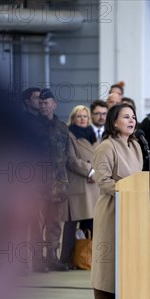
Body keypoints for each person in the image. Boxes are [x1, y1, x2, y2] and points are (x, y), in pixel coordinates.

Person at [91, 103, 143, 299]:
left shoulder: (137, 146)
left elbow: (139, 178)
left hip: (132, 211)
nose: (132, 120)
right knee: (107, 264)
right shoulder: (106, 146)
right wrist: (127, 191)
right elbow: (103, 180)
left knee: (124, 264)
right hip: (112, 209)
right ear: (113, 122)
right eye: (126, 117)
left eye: (133, 117)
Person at [30, 88, 70, 272]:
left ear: (54, 104)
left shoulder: (62, 127)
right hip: (37, 183)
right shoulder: (31, 125)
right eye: (41, 102)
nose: (43, 105)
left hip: (58, 183)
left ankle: (52, 257)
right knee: (37, 223)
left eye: (46, 103)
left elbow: (67, 154)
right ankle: (38, 260)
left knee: (54, 223)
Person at [60, 105, 99, 267]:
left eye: (85, 116)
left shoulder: (94, 135)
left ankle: (87, 259)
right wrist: (90, 171)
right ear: (73, 118)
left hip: (93, 185)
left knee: (91, 224)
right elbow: (71, 159)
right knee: (71, 224)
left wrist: (96, 172)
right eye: (79, 116)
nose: (83, 119)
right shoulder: (69, 135)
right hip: (78, 183)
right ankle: (67, 258)